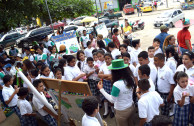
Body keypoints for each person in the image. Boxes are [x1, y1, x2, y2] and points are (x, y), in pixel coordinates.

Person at [97, 59, 136, 126]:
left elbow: (112, 100)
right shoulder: (131, 79)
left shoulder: (117, 84)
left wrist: (101, 89)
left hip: (121, 111)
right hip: (131, 107)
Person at [98, 53, 113, 118]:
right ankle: (106, 111)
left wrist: (103, 76)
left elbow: (112, 77)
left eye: (108, 58)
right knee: (105, 97)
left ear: (111, 58)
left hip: (112, 83)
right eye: (105, 59)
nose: (107, 60)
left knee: (111, 97)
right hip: (105, 83)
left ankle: (112, 110)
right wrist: (108, 76)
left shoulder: (113, 65)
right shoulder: (103, 66)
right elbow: (99, 75)